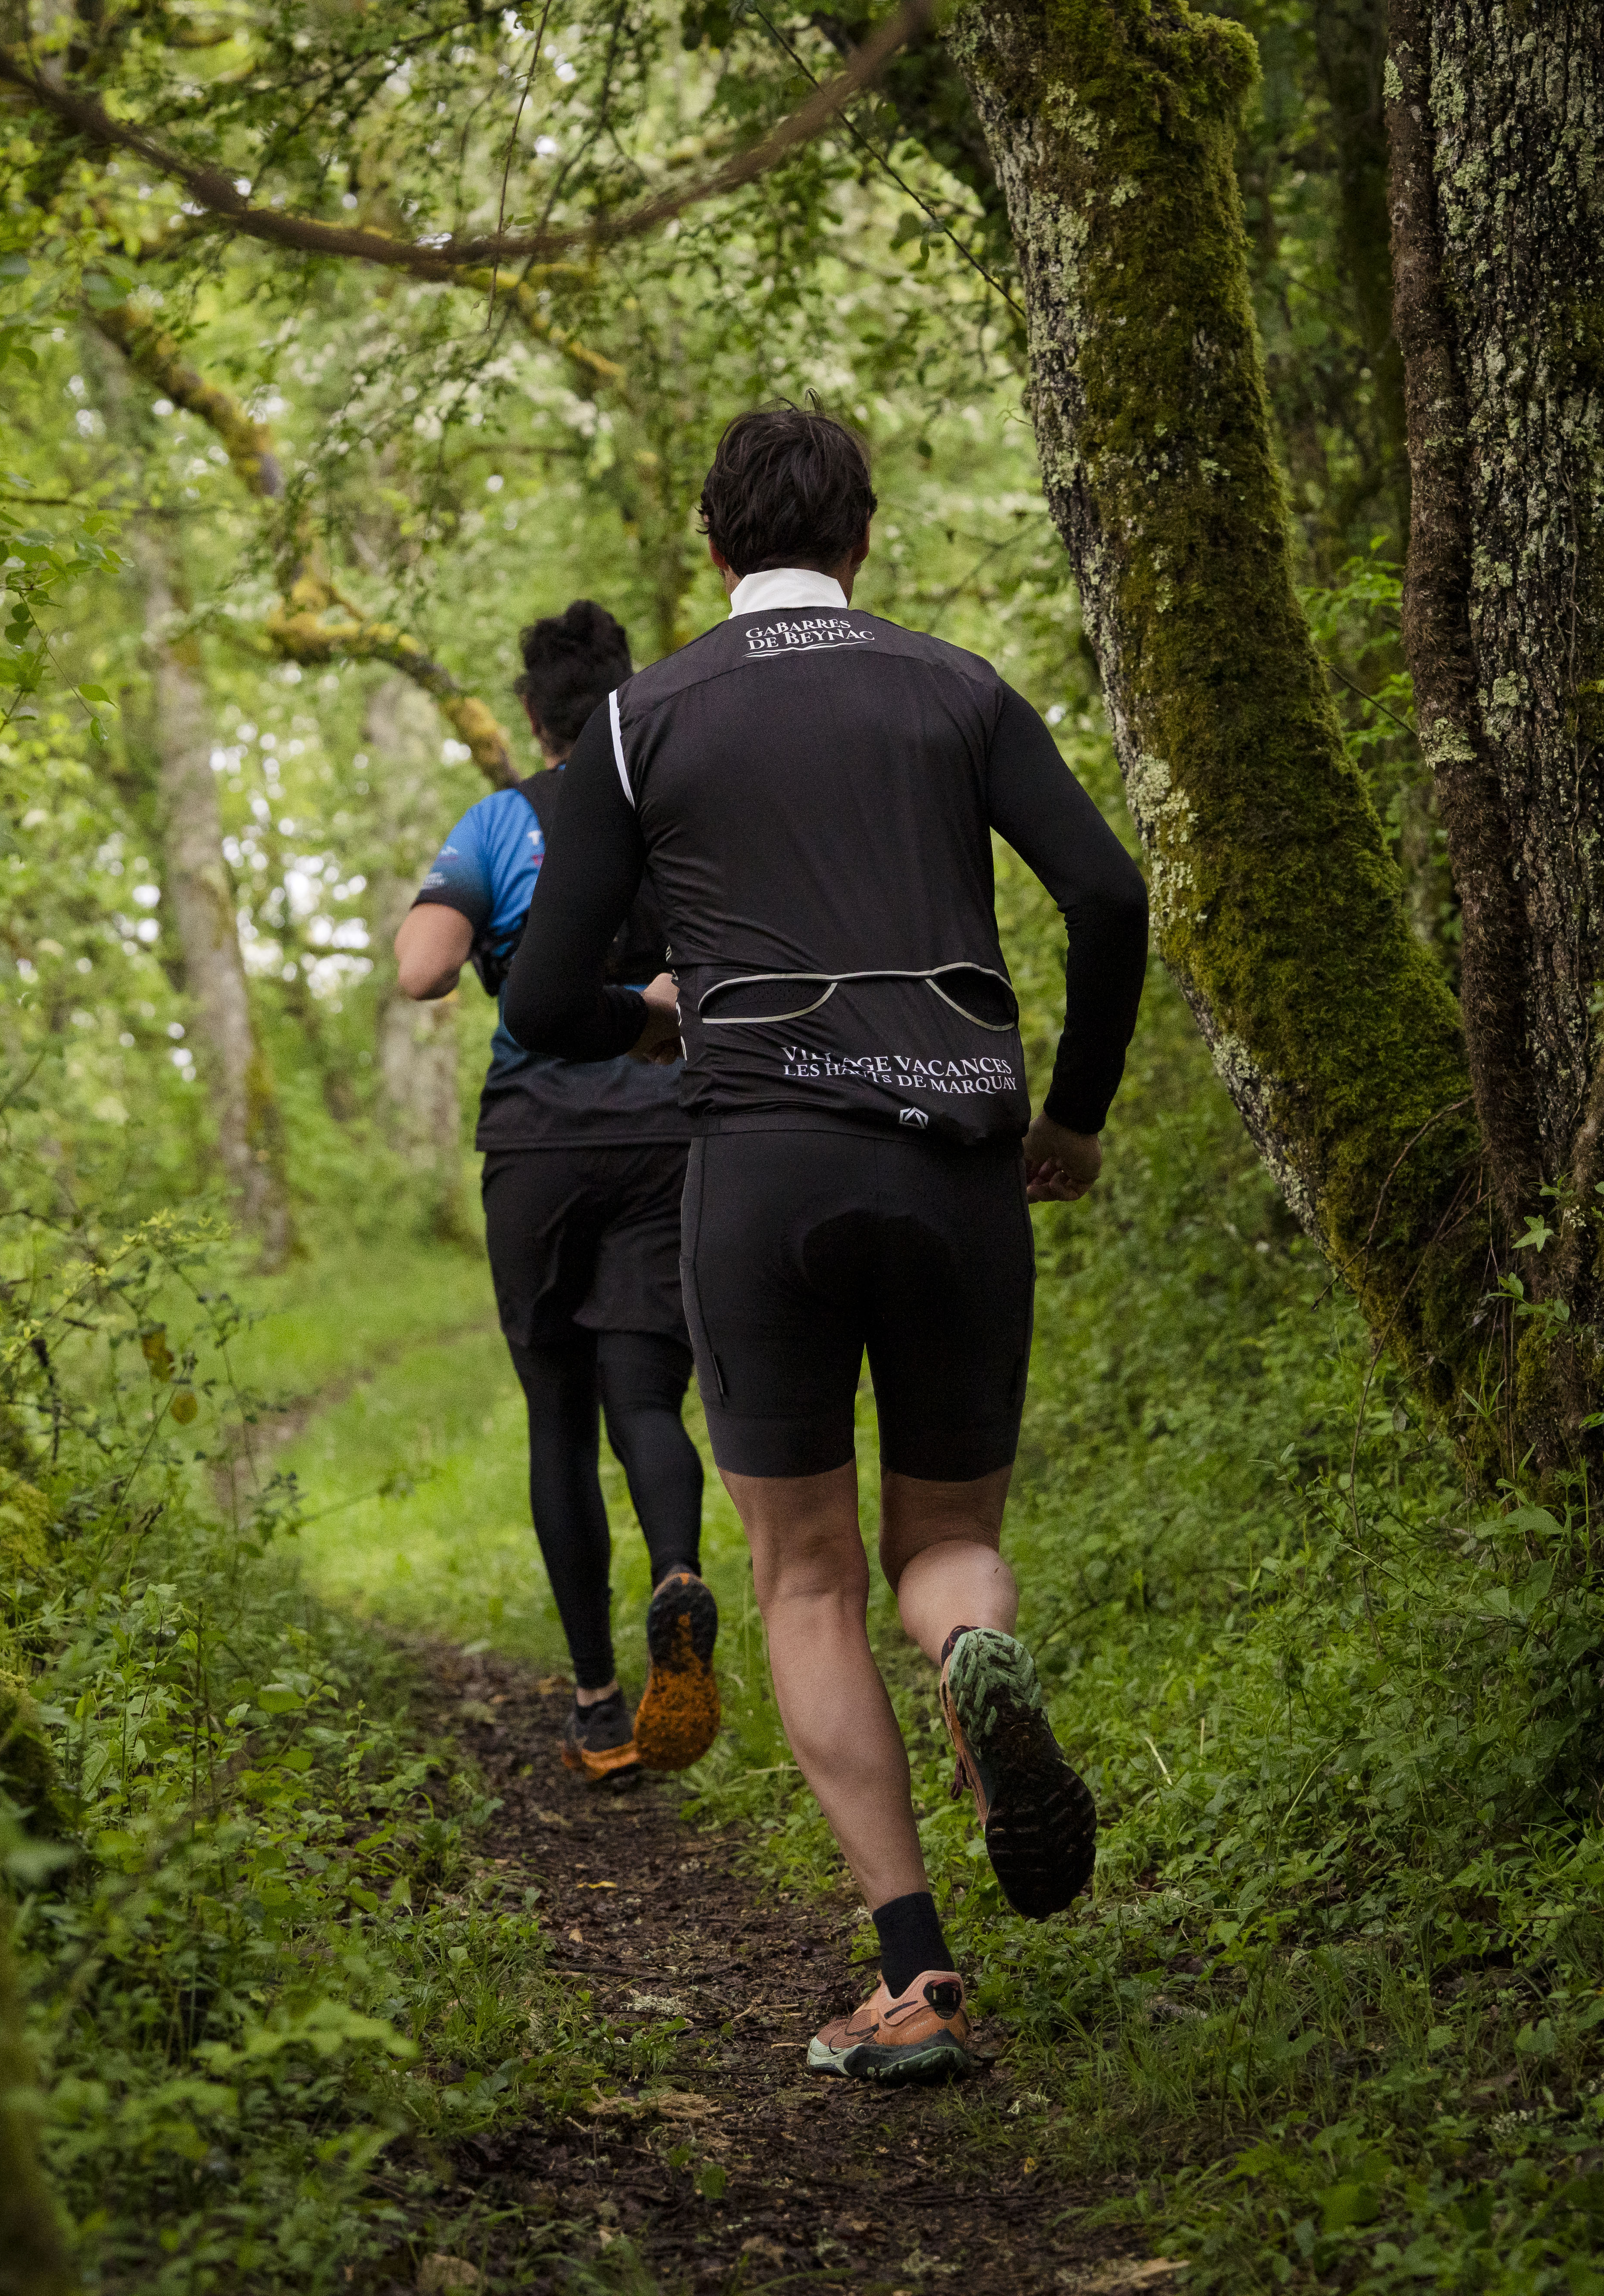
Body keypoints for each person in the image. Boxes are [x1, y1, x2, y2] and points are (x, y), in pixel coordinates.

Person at [503, 410, 1148, 2083]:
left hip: (763, 1176)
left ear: (714, 547)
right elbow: (1108, 898)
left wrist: (659, 1015)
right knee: (949, 1541)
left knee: (803, 1578)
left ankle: (916, 1980)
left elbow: (542, 997)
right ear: (863, 540)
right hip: (959, 1166)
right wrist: (1072, 1117)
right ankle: (975, 1652)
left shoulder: (638, 722)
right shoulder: (956, 689)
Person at [393, 601, 721, 1789]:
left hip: (536, 1144)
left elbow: (424, 970)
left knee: (558, 1418)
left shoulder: (501, 821)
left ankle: (597, 1710)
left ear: (533, 716)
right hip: (666, 1133)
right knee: (647, 1399)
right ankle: (678, 1576)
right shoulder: (675, 810)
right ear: (630, 696)